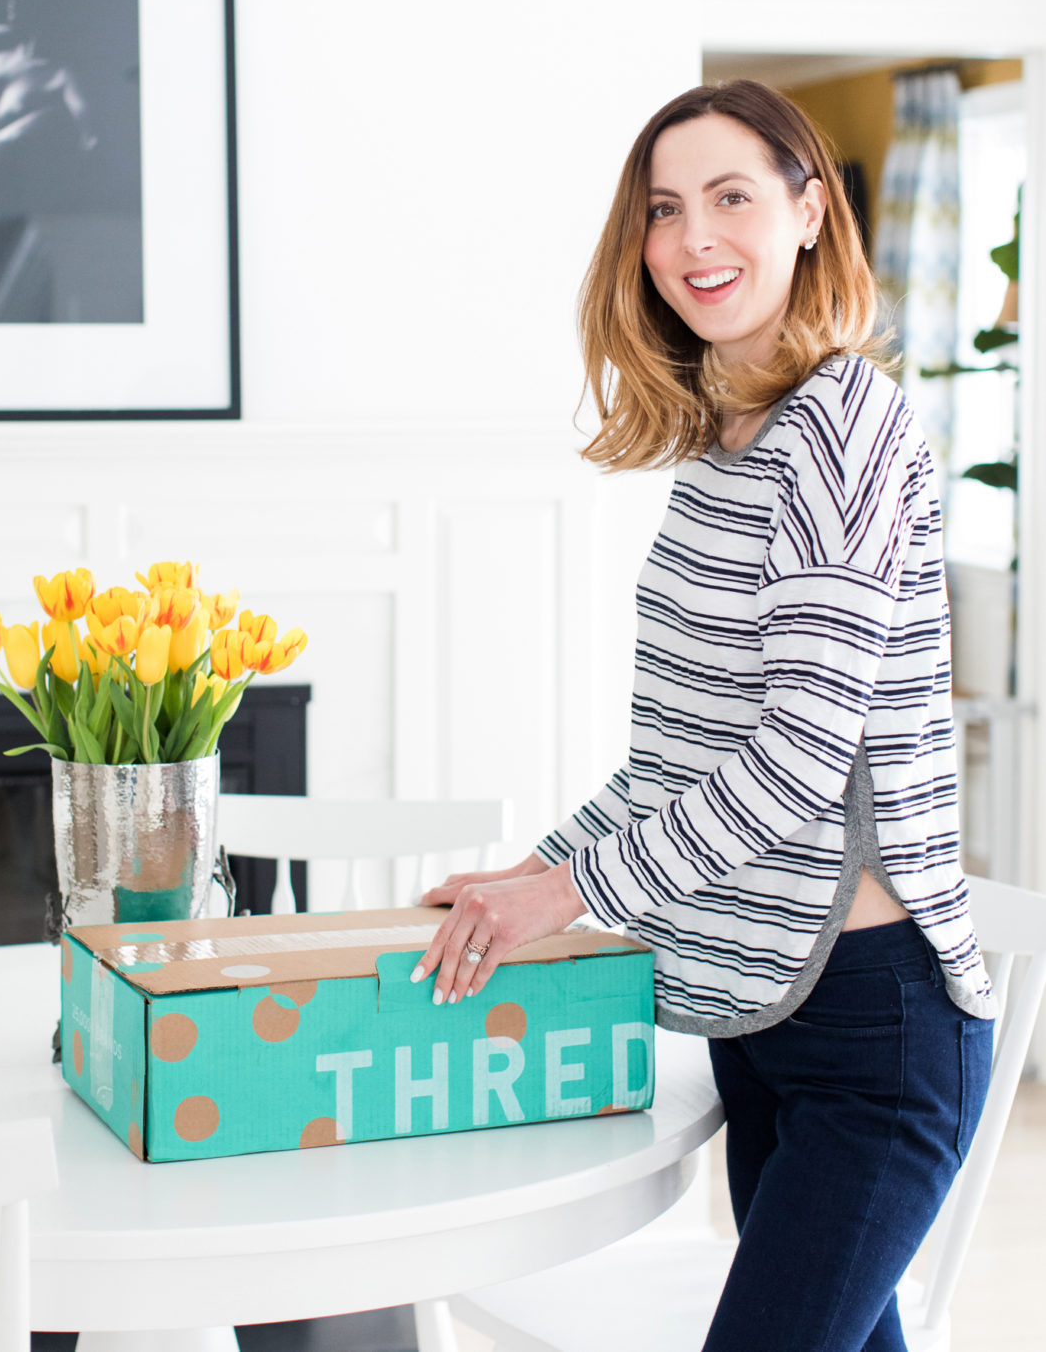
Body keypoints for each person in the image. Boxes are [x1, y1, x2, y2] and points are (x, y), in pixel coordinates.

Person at [411, 78, 995, 1352]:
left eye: (731, 197)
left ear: (807, 209)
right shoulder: (729, 438)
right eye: (663, 209)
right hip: (763, 1005)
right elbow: (681, 758)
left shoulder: (846, 423)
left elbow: (794, 764)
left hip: (872, 1028)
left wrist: (563, 900)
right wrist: (535, 871)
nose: (692, 240)